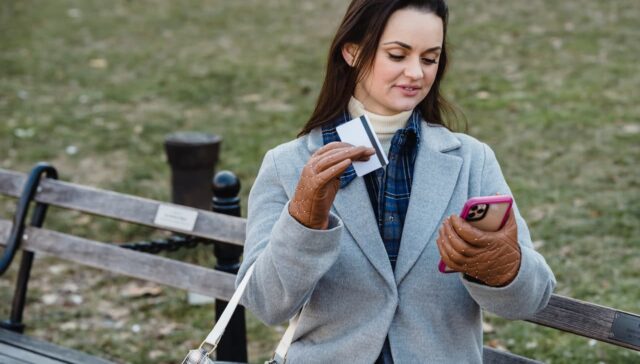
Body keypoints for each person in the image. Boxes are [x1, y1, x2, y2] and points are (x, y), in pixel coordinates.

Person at [236, 0, 556, 362]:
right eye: (397, 55)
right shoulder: (288, 164)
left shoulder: (471, 160)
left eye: (429, 58)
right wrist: (304, 222)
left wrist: (504, 268)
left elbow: (531, 298)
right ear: (352, 52)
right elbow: (264, 303)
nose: (416, 73)